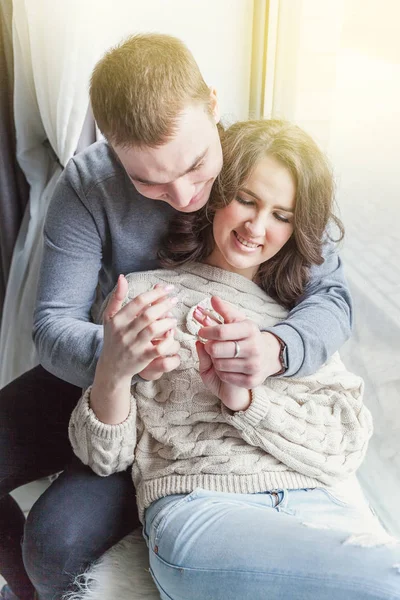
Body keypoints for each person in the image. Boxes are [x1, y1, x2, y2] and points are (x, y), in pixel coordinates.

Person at [0, 35, 352, 600]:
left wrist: (275, 347)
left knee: (55, 542)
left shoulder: (254, 168)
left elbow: (333, 297)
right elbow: (52, 326)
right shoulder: (87, 185)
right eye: (149, 182)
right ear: (112, 148)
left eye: (196, 167)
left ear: (213, 106)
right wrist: (118, 355)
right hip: (107, 372)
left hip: (189, 406)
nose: (186, 195)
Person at [69, 118, 400, 599]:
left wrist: (247, 402)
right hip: (205, 511)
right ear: (216, 193)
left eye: (281, 215)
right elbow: (103, 456)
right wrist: (113, 373)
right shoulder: (145, 297)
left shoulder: (297, 323)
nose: (256, 227)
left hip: (320, 508)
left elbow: (346, 440)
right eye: (246, 200)